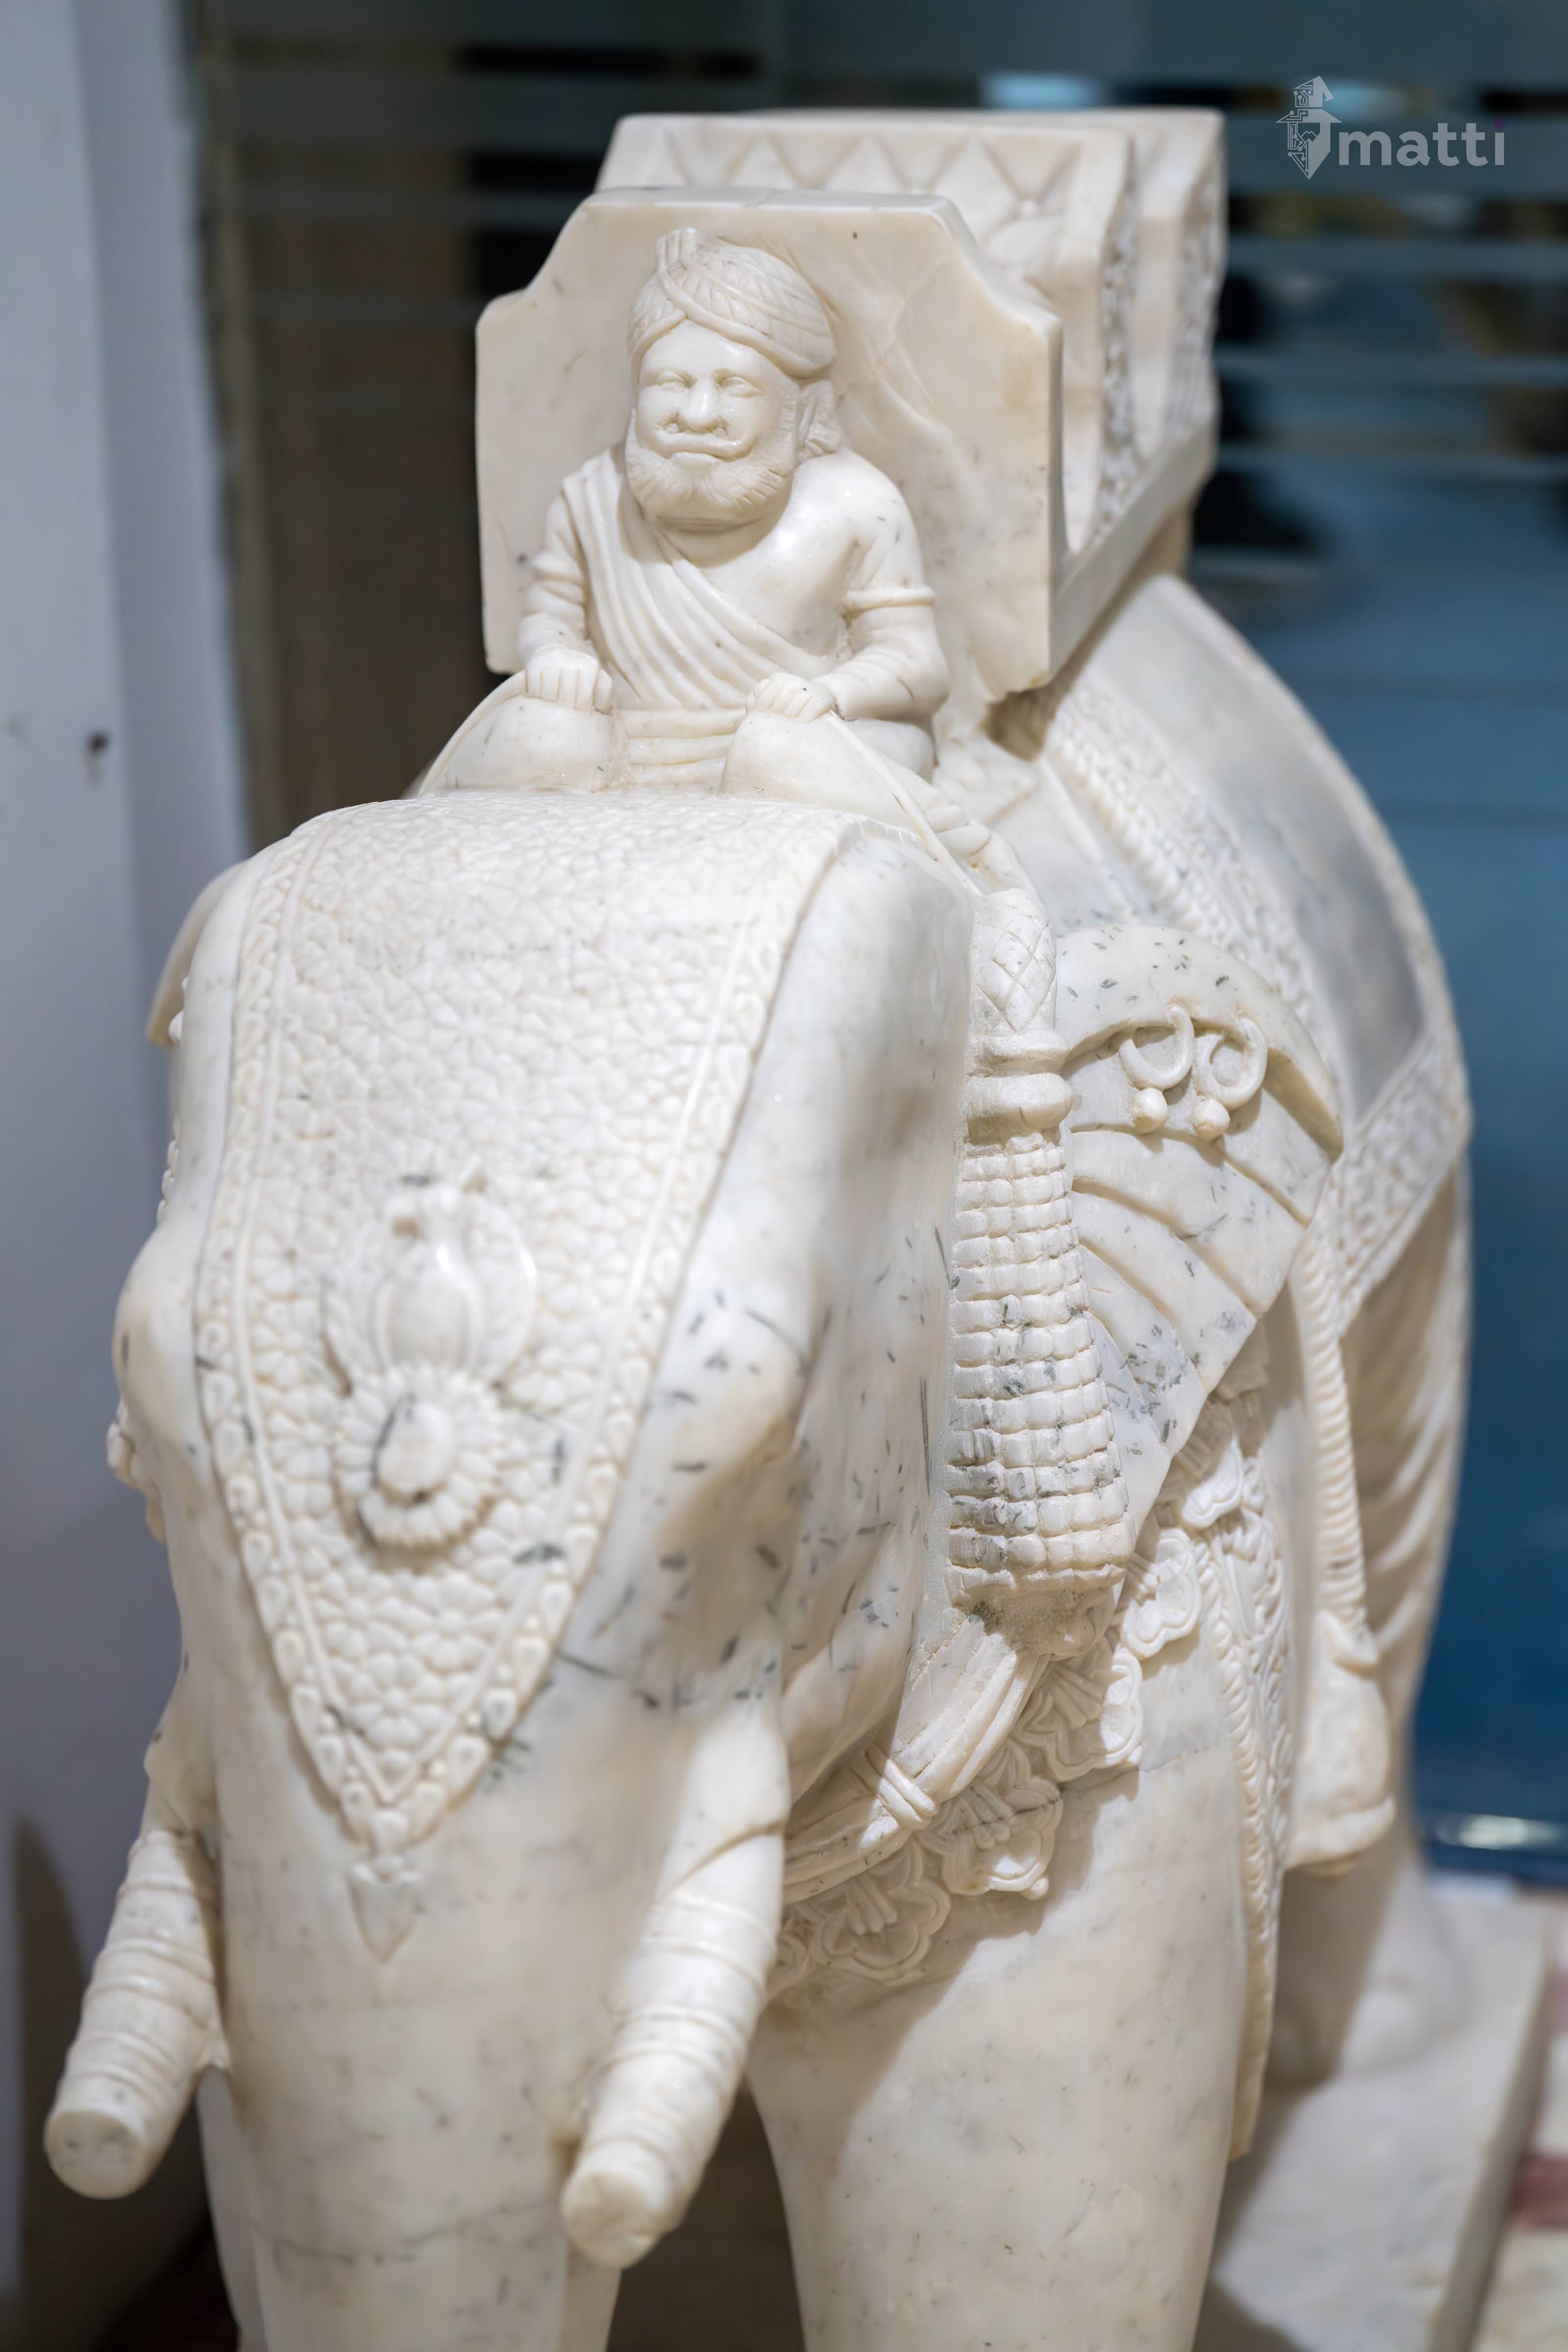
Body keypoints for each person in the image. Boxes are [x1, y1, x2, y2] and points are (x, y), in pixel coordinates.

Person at [514, 229, 950, 791]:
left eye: (735, 387)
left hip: (795, 741)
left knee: (778, 753)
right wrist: (555, 657)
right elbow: (550, 613)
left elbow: (914, 660)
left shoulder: (856, 504)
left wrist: (828, 693)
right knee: (537, 734)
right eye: (670, 383)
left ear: (802, 410)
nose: (697, 415)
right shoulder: (593, 498)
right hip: (627, 744)